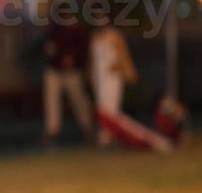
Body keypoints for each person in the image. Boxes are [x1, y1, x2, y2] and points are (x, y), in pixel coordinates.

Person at [41, 18, 93, 146]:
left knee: (78, 99)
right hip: (54, 70)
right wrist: (56, 58)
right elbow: (48, 50)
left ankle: (88, 127)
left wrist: (75, 61)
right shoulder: (53, 30)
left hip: (72, 71)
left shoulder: (77, 31)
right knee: (51, 100)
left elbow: (84, 50)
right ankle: (52, 130)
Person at [90, 14, 138, 146]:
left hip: (113, 76)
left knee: (112, 106)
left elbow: (123, 54)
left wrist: (124, 69)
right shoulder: (95, 37)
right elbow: (93, 60)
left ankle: (109, 135)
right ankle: (107, 134)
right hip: (100, 78)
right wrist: (93, 75)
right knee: (102, 106)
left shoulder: (115, 35)